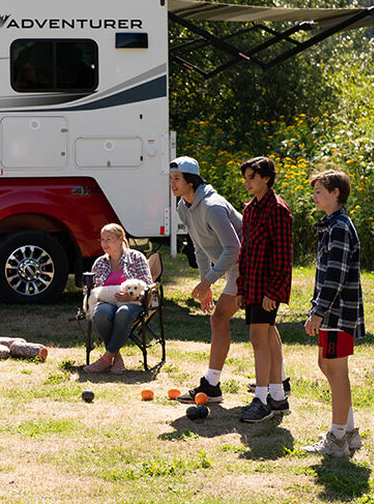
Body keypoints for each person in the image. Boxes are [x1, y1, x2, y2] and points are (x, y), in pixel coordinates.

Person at [168, 156, 243, 403]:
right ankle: (280, 382)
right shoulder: (183, 206)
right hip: (234, 264)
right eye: (171, 179)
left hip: (248, 264)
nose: (172, 184)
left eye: (177, 179)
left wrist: (209, 280)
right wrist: (204, 285)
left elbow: (234, 249)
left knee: (226, 319)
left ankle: (211, 386)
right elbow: (199, 248)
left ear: (191, 181)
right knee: (259, 325)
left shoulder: (212, 206)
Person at [301, 170, 364, 457]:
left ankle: (337, 439)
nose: (314, 197)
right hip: (331, 313)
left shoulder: (339, 227)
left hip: (338, 313)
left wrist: (319, 311)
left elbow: (335, 277)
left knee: (336, 372)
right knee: (326, 365)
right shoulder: (331, 225)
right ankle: (348, 431)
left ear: (335, 193)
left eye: (319, 191)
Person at [236, 156, 293, 423]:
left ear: (267, 179)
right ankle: (278, 397)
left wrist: (273, 291)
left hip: (267, 287)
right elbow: (244, 251)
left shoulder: (278, 209)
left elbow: (283, 256)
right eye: (245, 178)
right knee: (268, 335)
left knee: (258, 338)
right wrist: (241, 287)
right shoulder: (250, 209)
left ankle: (261, 399)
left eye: (252, 178)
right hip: (251, 285)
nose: (247, 182)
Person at [84, 223, 153, 374]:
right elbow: (91, 289)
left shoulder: (136, 257)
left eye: (108, 239)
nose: (104, 243)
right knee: (101, 314)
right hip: (107, 301)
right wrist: (89, 291)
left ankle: (106, 359)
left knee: (123, 312)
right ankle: (117, 358)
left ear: (120, 239)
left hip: (133, 302)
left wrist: (131, 296)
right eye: (102, 240)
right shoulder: (100, 263)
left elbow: (148, 286)